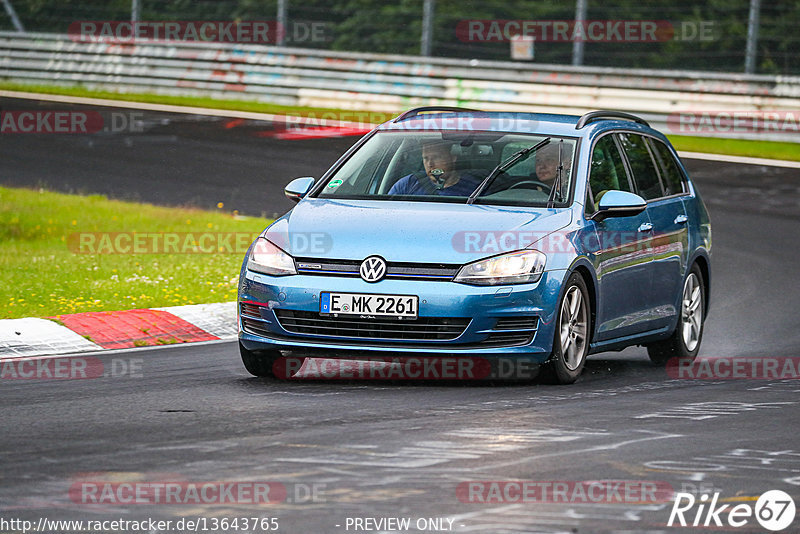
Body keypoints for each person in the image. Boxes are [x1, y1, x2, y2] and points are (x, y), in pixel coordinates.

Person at [389, 140, 480, 196]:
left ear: (453, 158)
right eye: (426, 158)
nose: (430, 164)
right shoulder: (407, 185)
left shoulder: (476, 188)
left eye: (436, 157)